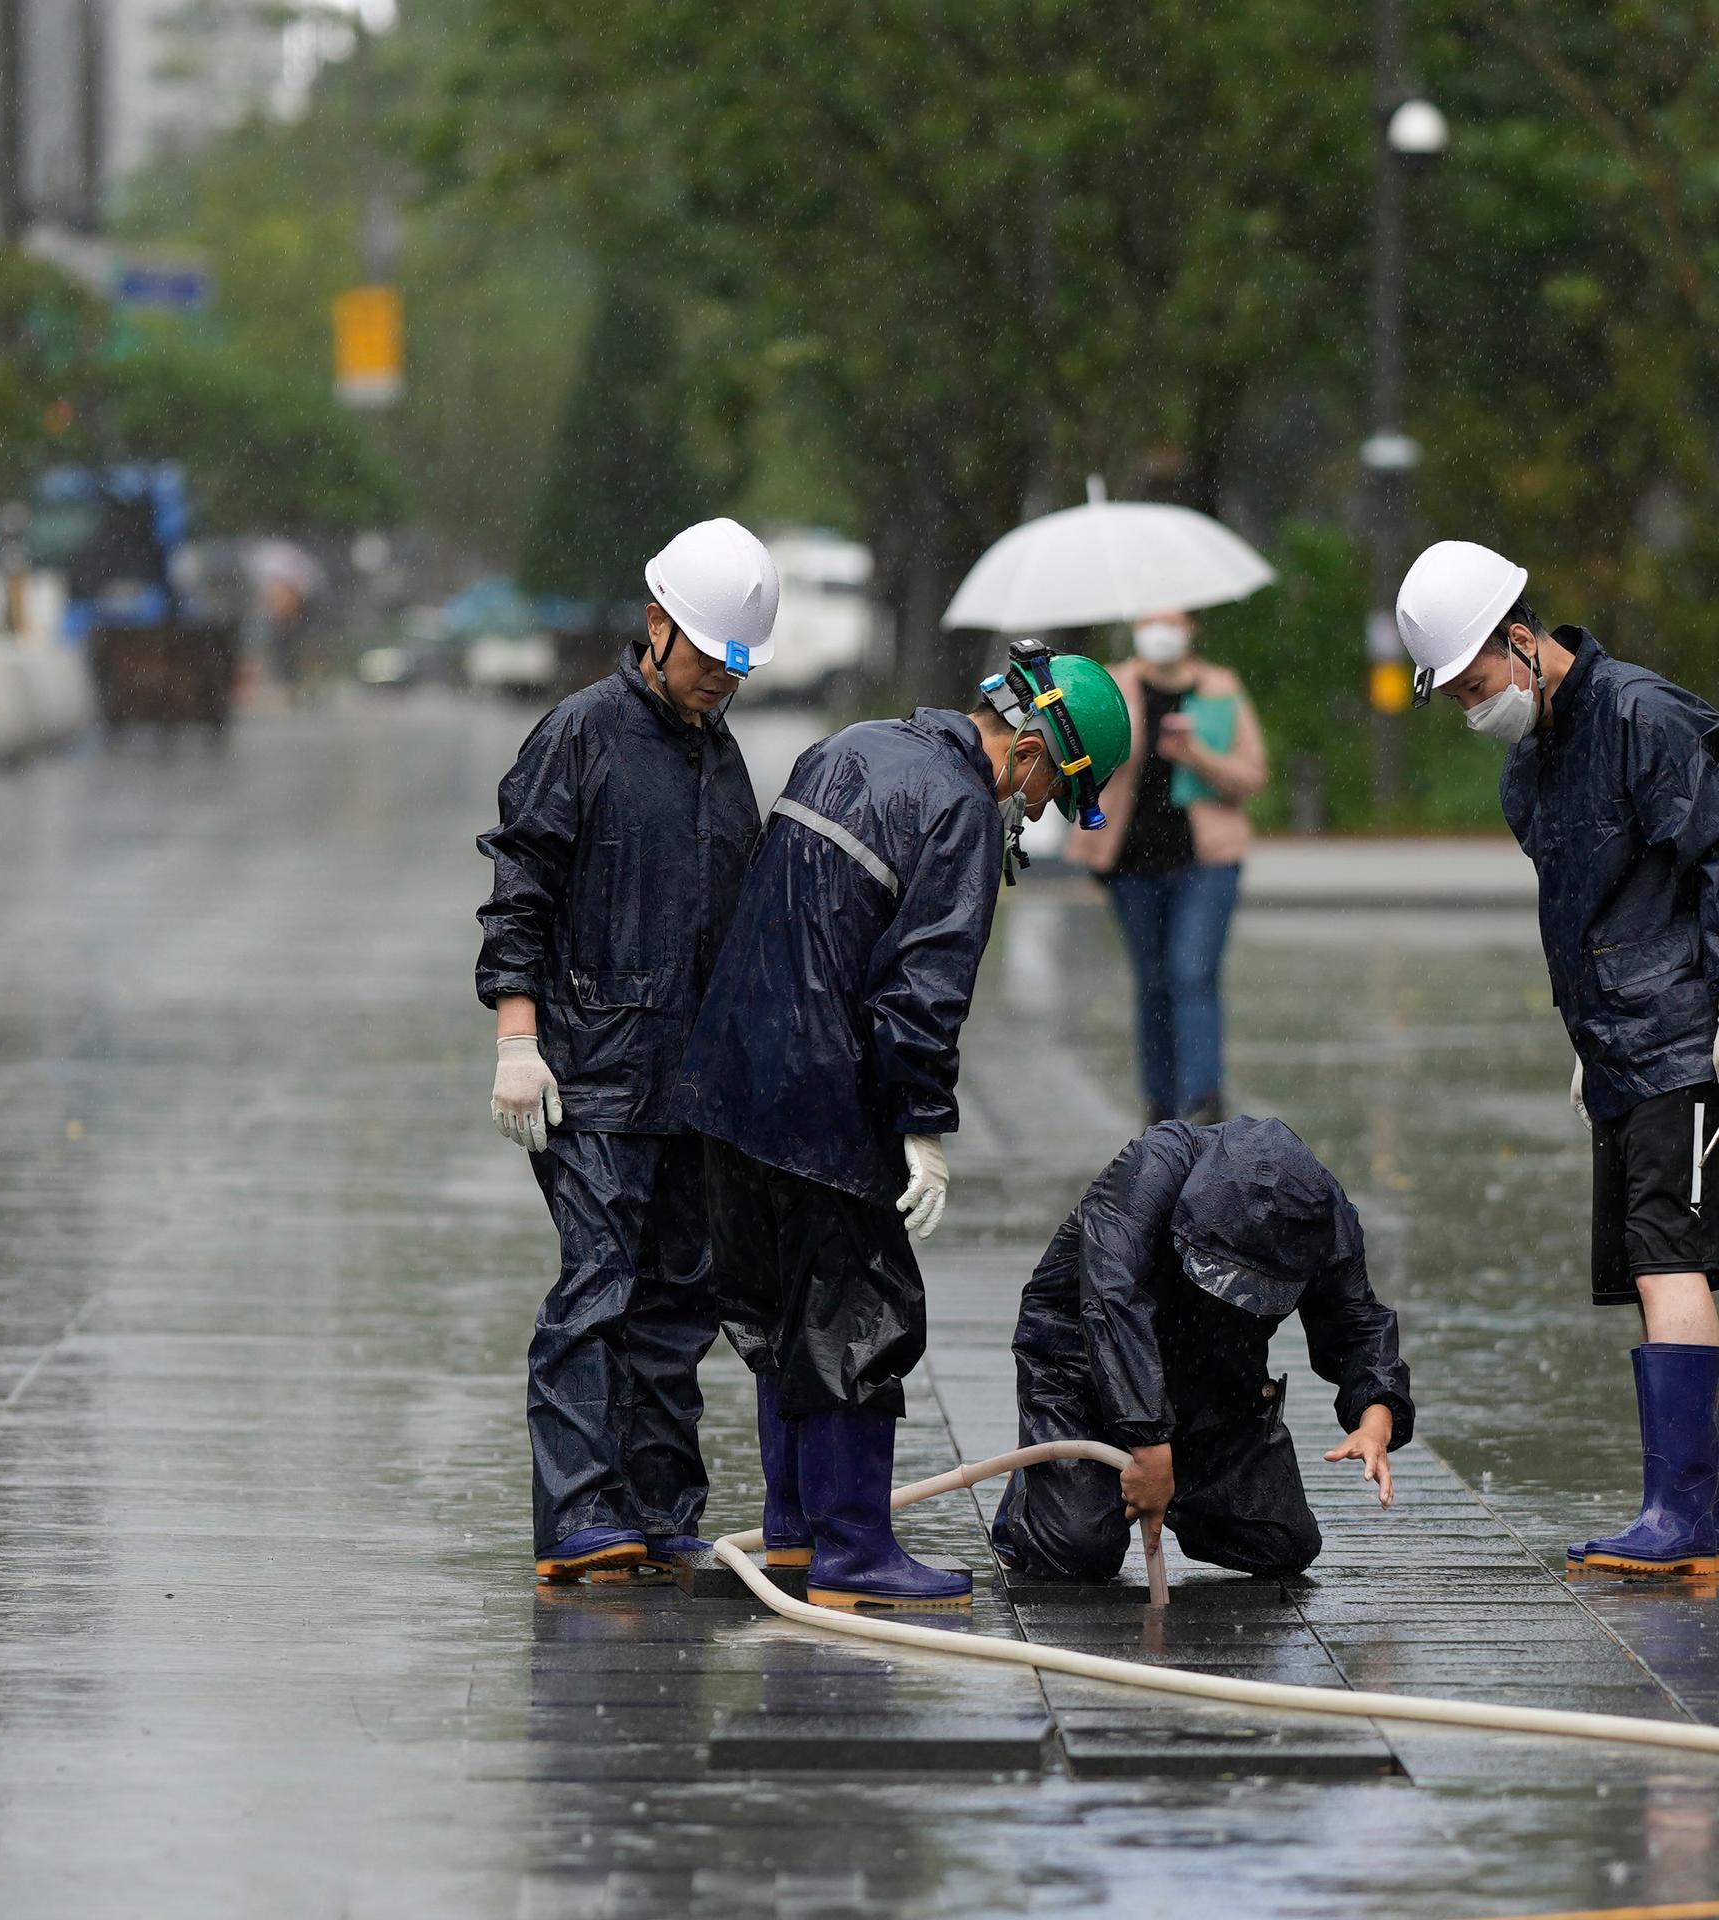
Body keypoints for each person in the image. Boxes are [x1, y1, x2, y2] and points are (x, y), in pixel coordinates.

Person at [681, 640, 1132, 1608]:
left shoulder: (851, 746)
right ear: (1030, 750)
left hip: (729, 1084)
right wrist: (920, 1126)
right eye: (1054, 788)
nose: (1040, 810)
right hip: (823, 1101)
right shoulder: (961, 811)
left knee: (780, 1315)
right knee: (859, 1317)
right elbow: (921, 993)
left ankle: (797, 1533)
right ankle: (853, 1552)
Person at [1394, 539, 1719, 1579]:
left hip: (1686, 1036)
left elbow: (1718, 860)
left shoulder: (1643, 718)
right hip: (1617, 1042)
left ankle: (1687, 1519)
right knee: (1647, 1266)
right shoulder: (1537, 760)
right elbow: (1581, 909)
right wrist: (1585, 1039)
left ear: (1522, 642)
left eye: (1479, 684)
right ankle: (1676, 1514)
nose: (1477, 708)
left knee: (1671, 1259)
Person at [476, 517, 777, 1584]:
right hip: (592, 1081)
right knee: (595, 1292)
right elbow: (520, 896)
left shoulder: (723, 760)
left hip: (690, 1093)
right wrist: (519, 1039)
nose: (717, 685)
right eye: (705, 663)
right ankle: (577, 1517)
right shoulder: (579, 737)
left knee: (677, 1307)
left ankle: (658, 1510)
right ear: (656, 627)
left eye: (735, 671)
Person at [990, 1116, 1414, 1584]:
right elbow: (1112, 1303)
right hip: (1082, 1363)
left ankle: (1160, 1484)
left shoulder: (1323, 1219)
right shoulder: (1153, 1168)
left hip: (1212, 1374)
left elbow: (1357, 1321)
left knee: (1281, 1544)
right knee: (1078, 1552)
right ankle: (1041, 1484)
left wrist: (1376, 1416)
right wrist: (1150, 1445)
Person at [1070, 611, 1271, 1124]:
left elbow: (1251, 776)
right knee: (1151, 981)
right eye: (1150, 619)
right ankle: (1158, 1107)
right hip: (1130, 862)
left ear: (1191, 626)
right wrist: (1125, 743)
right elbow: (1076, 766)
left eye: (1171, 619)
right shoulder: (1110, 686)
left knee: (1193, 973)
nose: (1160, 629)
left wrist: (1197, 755)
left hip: (1206, 861)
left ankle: (1203, 1100)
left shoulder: (1220, 688)